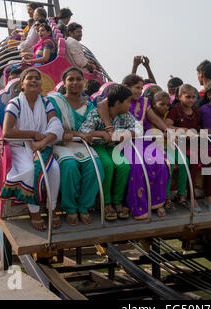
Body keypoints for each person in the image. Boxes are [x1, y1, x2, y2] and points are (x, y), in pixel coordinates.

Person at [0, 68, 64, 231]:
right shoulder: (15, 103)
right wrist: (34, 134)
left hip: (42, 145)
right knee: (29, 170)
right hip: (20, 146)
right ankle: (34, 212)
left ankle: (52, 208)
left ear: (41, 84)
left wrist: (43, 141)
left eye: (37, 78)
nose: (34, 80)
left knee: (54, 169)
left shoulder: (47, 103)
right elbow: (7, 132)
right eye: (29, 78)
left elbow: (55, 124)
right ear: (22, 84)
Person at [47, 67, 105, 226]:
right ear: (64, 83)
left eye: (78, 79)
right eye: (70, 79)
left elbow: (95, 128)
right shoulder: (55, 101)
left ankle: (84, 207)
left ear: (83, 82)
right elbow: (55, 128)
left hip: (82, 145)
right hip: (60, 143)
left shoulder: (90, 105)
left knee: (96, 167)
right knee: (69, 165)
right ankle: (70, 209)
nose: (74, 82)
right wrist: (78, 134)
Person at [79, 85, 136, 221]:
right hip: (97, 146)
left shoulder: (125, 116)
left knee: (124, 166)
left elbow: (136, 129)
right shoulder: (95, 114)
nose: (130, 105)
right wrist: (99, 133)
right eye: (128, 101)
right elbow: (84, 131)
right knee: (107, 165)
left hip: (112, 147)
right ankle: (106, 202)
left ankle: (117, 201)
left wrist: (125, 134)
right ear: (117, 103)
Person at [121, 74, 169, 219]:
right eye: (137, 88)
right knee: (136, 167)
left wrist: (166, 130)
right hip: (126, 142)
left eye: (141, 88)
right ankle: (137, 206)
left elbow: (154, 119)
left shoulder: (145, 102)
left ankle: (157, 203)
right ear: (126, 88)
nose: (140, 91)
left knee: (161, 162)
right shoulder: (120, 101)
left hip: (145, 141)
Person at [165, 84, 211, 213]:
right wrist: (183, 130)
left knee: (209, 159)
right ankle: (191, 197)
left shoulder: (196, 110)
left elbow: (198, 127)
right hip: (179, 144)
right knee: (193, 161)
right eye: (188, 97)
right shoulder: (175, 109)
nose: (191, 100)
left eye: (193, 97)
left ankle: (209, 196)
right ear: (179, 97)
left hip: (195, 143)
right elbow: (167, 125)